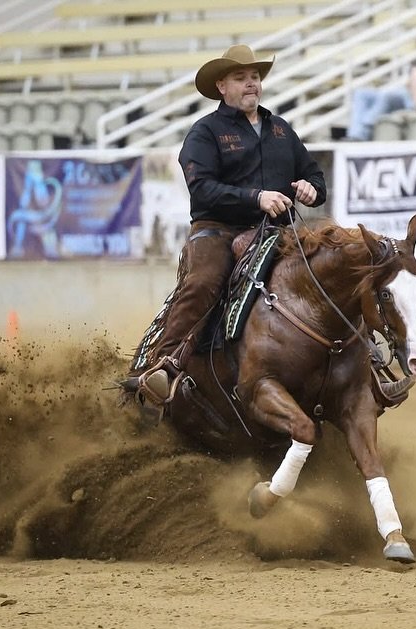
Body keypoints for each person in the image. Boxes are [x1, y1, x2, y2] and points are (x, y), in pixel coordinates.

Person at [140, 44, 327, 403]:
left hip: (275, 233)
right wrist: (255, 197)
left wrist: (311, 188)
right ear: (222, 87)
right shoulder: (205, 132)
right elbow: (202, 188)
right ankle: (163, 365)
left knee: (326, 272)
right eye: (241, 78)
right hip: (218, 231)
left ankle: (356, 364)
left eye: (255, 77)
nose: (251, 84)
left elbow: (314, 176)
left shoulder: (281, 130)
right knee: (205, 281)